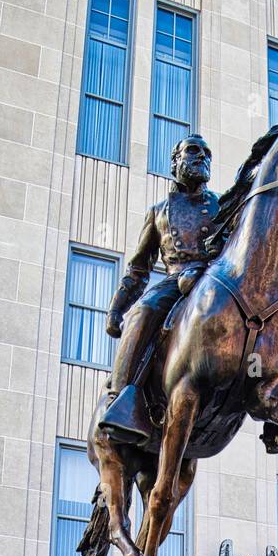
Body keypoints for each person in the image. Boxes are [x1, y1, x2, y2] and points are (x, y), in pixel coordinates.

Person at [99, 134, 220, 442]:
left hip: (213, 279)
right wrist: (117, 308)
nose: (202, 158)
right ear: (173, 163)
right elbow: (139, 268)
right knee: (144, 311)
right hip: (174, 281)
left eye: (206, 153)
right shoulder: (158, 212)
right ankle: (122, 401)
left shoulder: (222, 205)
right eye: (193, 151)